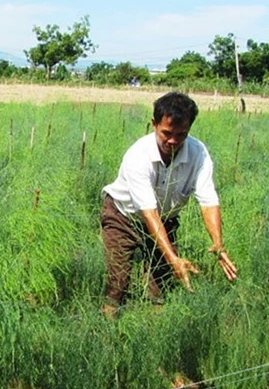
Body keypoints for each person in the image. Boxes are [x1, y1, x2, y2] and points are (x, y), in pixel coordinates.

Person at [100, 92, 237, 318]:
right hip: (123, 217)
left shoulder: (198, 153)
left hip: (165, 219)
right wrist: (173, 258)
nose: (173, 141)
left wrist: (218, 244)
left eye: (181, 134)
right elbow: (148, 212)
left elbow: (208, 199)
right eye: (167, 133)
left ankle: (156, 328)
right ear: (154, 124)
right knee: (118, 281)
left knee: (160, 286)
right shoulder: (138, 156)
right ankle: (108, 327)